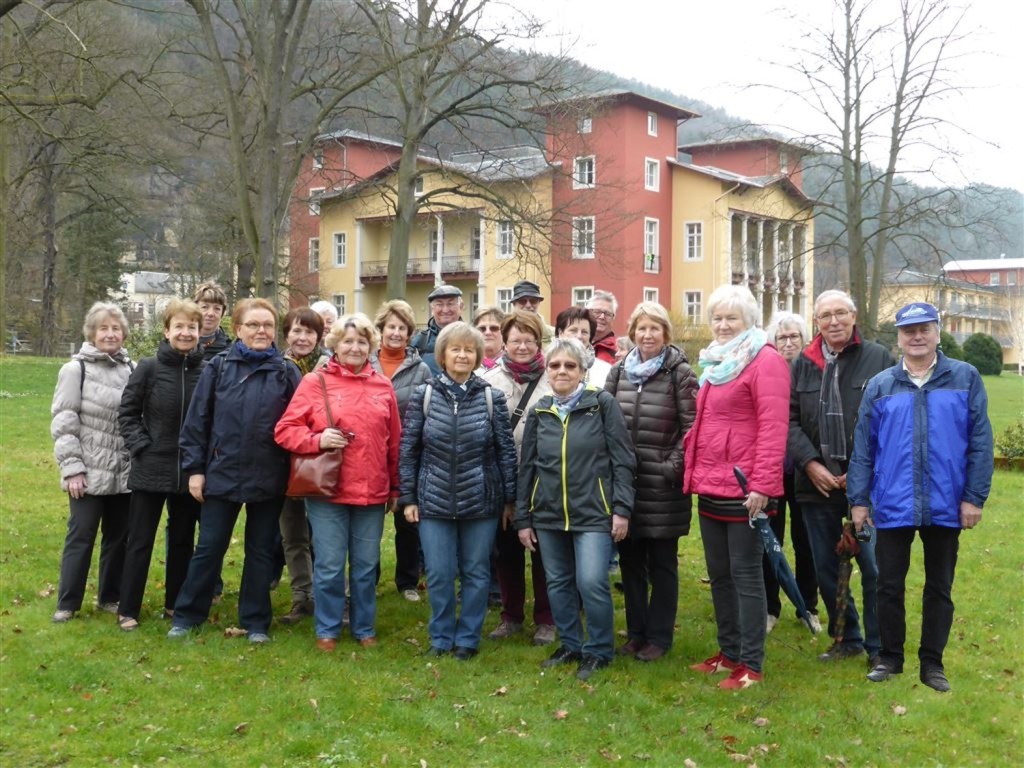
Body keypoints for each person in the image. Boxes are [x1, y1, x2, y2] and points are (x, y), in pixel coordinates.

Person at [848, 302, 993, 693]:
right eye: (909, 330)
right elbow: (863, 448)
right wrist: (859, 500)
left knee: (939, 587)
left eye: (924, 329)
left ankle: (932, 663)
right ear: (898, 336)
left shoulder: (964, 377)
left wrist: (974, 497)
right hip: (893, 502)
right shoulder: (881, 385)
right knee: (888, 584)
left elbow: (980, 442)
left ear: (937, 332)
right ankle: (890, 658)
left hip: (947, 502)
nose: (917, 336)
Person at [168, 298, 300, 644]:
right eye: (253, 325)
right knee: (210, 547)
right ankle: (187, 615)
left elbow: (300, 424)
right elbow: (197, 422)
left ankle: (256, 622)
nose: (261, 331)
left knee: (260, 551)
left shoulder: (287, 373)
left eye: (267, 325)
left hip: (269, 477)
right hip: (221, 473)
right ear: (238, 329)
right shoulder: (218, 368)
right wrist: (195, 470)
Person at [683, 285, 790, 689]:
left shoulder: (766, 361)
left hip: (748, 490)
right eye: (718, 318)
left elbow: (773, 428)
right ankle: (728, 654)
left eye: (732, 318)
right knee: (720, 574)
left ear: (749, 321)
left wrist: (763, 485)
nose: (723, 325)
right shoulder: (716, 361)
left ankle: (752, 663)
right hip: (712, 484)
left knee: (746, 576)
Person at [275, 313, 402, 652]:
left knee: (365, 566)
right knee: (330, 566)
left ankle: (363, 627)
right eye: (348, 341)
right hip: (329, 490)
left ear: (370, 346)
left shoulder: (383, 385)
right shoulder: (315, 383)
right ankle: (327, 628)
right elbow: (285, 430)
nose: (355, 347)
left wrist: (395, 487)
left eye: (362, 341)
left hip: (372, 490)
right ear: (334, 345)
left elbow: (394, 441)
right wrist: (318, 440)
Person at [515, 338, 636, 681]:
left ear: (583, 370)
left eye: (570, 366)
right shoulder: (540, 410)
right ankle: (570, 644)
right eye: (555, 366)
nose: (562, 371)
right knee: (558, 583)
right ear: (547, 371)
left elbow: (622, 459)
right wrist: (524, 518)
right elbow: (528, 468)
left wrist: (622, 509)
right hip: (549, 513)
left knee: (592, 581)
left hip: (594, 513)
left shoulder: (602, 404)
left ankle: (599, 649)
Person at [788, 289, 894, 667]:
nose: (833, 321)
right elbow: (789, 420)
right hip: (815, 484)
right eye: (824, 316)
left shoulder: (878, 358)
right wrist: (810, 464)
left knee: (873, 565)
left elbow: (890, 419)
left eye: (840, 314)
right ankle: (846, 637)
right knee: (826, 566)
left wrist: (863, 470)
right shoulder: (802, 362)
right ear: (816, 322)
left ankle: (880, 645)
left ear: (853, 317)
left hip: (864, 485)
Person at [399, 322, 518, 659]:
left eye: (469, 349)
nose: (462, 355)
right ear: (443, 355)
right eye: (455, 349)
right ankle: (440, 636)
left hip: (481, 501)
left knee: (476, 573)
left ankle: (467, 639)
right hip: (433, 500)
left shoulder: (490, 398)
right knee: (438, 573)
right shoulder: (424, 396)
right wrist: (408, 497)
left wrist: (509, 499)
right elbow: (409, 450)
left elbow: (505, 452)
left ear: (477, 356)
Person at [604, 301, 697, 662]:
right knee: (630, 564)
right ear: (632, 333)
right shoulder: (619, 373)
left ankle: (659, 636)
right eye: (642, 328)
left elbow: (691, 431)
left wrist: (669, 468)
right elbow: (607, 423)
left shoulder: (680, 373)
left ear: (665, 333)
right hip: (626, 484)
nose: (648, 335)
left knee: (662, 563)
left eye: (655, 328)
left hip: (663, 486)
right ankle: (636, 631)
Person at [116, 300, 205, 630]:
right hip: (151, 467)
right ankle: (128, 609)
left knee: (182, 540)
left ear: (199, 332)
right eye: (179, 326)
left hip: (189, 472)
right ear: (167, 331)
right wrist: (143, 446)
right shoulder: (149, 368)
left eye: (191, 327)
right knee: (140, 541)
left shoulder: (206, 370)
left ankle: (175, 604)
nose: (186, 333)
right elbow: (127, 413)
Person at [50, 302, 134, 623]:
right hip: (86, 472)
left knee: (118, 538)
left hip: (123, 472)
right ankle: (68, 602)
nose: (110, 334)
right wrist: (72, 469)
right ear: (91, 333)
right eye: (103, 328)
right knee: (81, 535)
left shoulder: (131, 368)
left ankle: (110, 597)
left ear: (124, 334)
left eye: (115, 328)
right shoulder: (75, 370)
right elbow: (64, 420)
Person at [482, 311, 555, 646]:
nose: (522, 346)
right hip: (503, 480)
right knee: (507, 551)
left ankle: (547, 619)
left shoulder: (553, 377)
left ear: (538, 342)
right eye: (516, 340)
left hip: (545, 480)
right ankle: (511, 616)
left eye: (529, 339)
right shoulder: (490, 380)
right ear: (505, 343)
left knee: (544, 552)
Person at [369, 299, 432, 601]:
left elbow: (428, 411)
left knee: (408, 520)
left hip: (408, 454)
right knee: (369, 521)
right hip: (369, 454)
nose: (395, 333)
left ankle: (407, 580)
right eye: (390, 327)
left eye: (402, 328)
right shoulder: (364, 363)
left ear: (409, 334)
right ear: (380, 330)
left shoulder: (421, 369)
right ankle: (369, 577)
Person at [763, 311, 821, 634]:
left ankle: (807, 606)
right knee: (770, 540)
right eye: (781, 337)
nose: (787, 343)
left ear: (804, 339)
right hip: (771, 469)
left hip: (803, 469)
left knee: (806, 541)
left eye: (794, 337)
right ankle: (769, 607)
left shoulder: (812, 372)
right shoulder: (765, 369)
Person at [276, 307, 330, 625]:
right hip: (285, 461)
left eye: (309, 332)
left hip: (323, 461)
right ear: (286, 335)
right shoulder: (276, 367)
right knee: (293, 534)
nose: (303, 337)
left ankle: (332, 595)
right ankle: (302, 596)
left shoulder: (331, 368)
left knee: (327, 536)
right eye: (296, 331)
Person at [410, 284, 463, 375]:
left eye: (450, 304)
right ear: (432, 309)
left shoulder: (472, 339)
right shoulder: (419, 341)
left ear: (460, 307)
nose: (445, 310)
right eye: (439, 304)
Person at [554, 306, 612, 388]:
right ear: (560, 333)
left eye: (584, 332)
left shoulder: (605, 370)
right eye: (573, 330)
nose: (579, 336)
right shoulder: (548, 367)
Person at [193, 282, 230, 360]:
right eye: (205, 307)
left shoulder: (230, 352)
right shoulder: (180, 344)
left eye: (217, 309)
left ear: (222, 314)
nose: (210, 313)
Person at [586, 291, 619, 364]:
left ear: (613, 318)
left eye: (607, 314)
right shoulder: (578, 343)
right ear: (587, 313)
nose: (602, 317)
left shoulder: (618, 351)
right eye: (597, 312)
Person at [473, 305, 505, 372]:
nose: (487, 332)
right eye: (482, 328)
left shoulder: (512, 365)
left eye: (494, 328)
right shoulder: (467, 362)